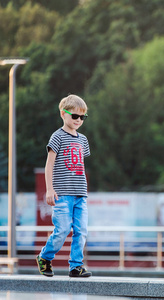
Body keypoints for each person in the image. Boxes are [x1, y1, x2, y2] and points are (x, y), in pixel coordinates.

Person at [36, 94, 92, 278]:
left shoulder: (83, 140)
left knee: (81, 230)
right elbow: (49, 165)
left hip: (80, 194)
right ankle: (45, 257)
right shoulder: (57, 137)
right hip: (62, 195)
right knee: (62, 230)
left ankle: (76, 265)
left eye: (82, 117)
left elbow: (79, 166)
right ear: (63, 114)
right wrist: (50, 189)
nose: (78, 120)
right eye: (74, 116)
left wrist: (83, 190)